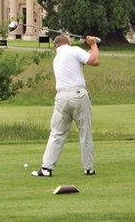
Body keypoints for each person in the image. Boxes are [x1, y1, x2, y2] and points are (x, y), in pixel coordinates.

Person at [30, 34, 100, 177]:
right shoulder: (74, 50)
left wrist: (92, 46)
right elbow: (94, 60)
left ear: (57, 45)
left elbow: (87, 59)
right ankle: (89, 168)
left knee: (57, 133)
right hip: (78, 95)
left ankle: (46, 168)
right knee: (85, 132)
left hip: (62, 97)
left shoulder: (57, 58)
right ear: (68, 42)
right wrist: (93, 44)